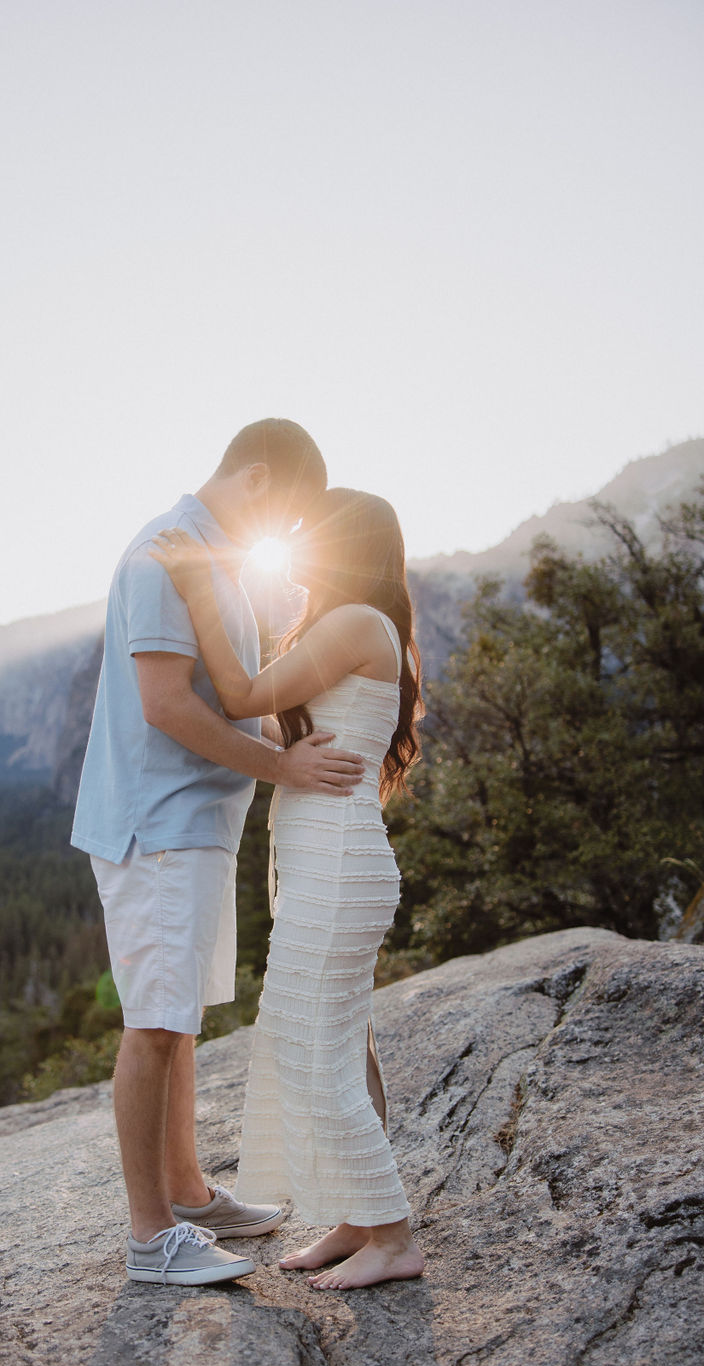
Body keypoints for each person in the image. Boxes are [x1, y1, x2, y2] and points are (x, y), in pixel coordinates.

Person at [71, 421, 368, 1287]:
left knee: (182, 1018)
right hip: (158, 827)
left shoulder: (207, 560)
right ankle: (150, 1236)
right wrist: (283, 768)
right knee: (155, 1023)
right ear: (260, 478)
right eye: (290, 516)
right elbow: (165, 705)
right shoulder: (161, 558)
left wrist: (306, 741)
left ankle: (189, 1195)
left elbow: (233, 699)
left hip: (193, 827)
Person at [149, 487, 426, 1289]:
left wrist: (198, 582)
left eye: (313, 534)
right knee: (342, 1044)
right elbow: (278, 727)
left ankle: (396, 1235)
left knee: (313, 1051)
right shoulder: (359, 628)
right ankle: (358, 1217)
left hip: (338, 866)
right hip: (329, 863)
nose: (299, 546)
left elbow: (241, 698)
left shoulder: (352, 624)